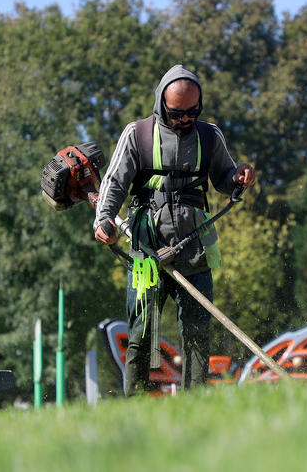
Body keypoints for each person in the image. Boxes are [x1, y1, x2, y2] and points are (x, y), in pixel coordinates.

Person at [94, 65, 255, 396]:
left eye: (192, 111)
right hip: (146, 250)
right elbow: (113, 184)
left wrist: (237, 178)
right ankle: (137, 401)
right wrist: (104, 221)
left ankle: (194, 403)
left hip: (195, 247)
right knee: (142, 331)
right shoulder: (136, 134)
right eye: (177, 112)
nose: (185, 119)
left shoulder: (209, 136)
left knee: (197, 330)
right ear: (161, 103)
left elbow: (224, 177)